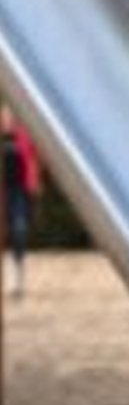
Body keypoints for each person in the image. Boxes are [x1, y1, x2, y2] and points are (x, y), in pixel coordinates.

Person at [3, 105, 37, 300]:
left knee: (19, 231)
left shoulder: (23, 137)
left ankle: (18, 279)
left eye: (11, 116)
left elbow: (31, 162)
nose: (8, 119)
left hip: (19, 192)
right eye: (5, 116)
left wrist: (33, 188)